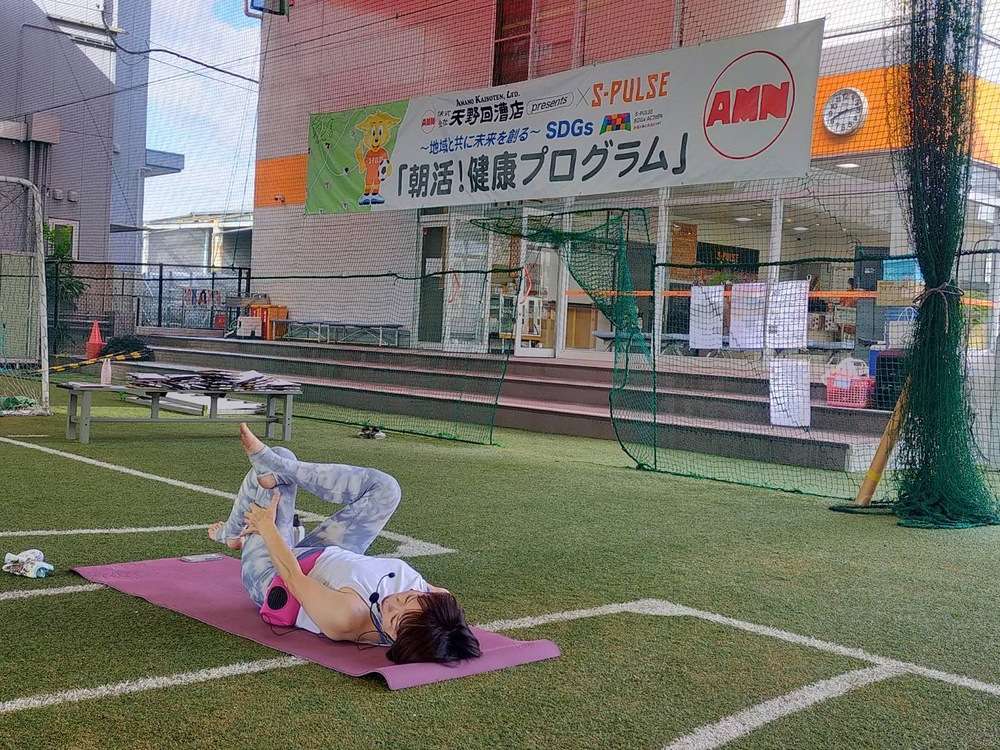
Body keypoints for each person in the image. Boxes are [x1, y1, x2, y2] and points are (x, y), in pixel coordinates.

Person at [208, 424, 481, 665]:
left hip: (275, 574)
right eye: (408, 599)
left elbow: (292, 577)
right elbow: (449, 630)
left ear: (397, 640)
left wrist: (266, 527)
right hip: (328, 554)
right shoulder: (439, 601)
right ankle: (281, 470)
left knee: (277, 462)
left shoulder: (347, 618)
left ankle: (232, 533)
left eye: (394, 620)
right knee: (386, 489)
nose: (392, 603)